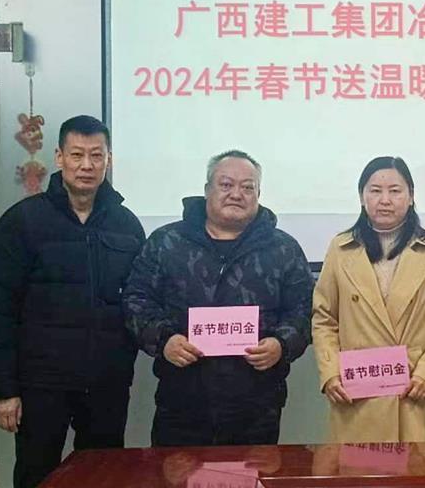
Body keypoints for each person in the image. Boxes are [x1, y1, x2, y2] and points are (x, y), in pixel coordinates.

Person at [0, 115, 145, 488]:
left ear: (109, 160)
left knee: (105, 476)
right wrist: (3, 390)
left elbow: (139, 301)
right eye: (76, 154)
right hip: (41, 383)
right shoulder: (22, 222)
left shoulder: (126, 225)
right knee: (37, 474)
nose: (87, 165)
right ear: (59, 157)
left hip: (106, 382)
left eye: (96, 155)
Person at [123, 150, 313, 446]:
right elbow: (137, 299)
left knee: (252, 472)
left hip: (256, 405)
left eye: (247, 187)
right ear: (207, 190)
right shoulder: (167, 242)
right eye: (226, 185)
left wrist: (281, 344)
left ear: (259, 194)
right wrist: (164, 340)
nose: (236, 194)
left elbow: (305, 309)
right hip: (181, 402)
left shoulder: (283, 249)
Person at [312, 156, 425, 443]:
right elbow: (324, 319)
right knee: (359, 468)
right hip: (356, 393)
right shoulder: (341, 248)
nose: (385, 200)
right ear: (362, 197)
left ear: (411, 196)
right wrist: (329, 373)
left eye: (395, 190)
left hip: (413, 392)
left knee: (417, 468)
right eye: (375, 191)